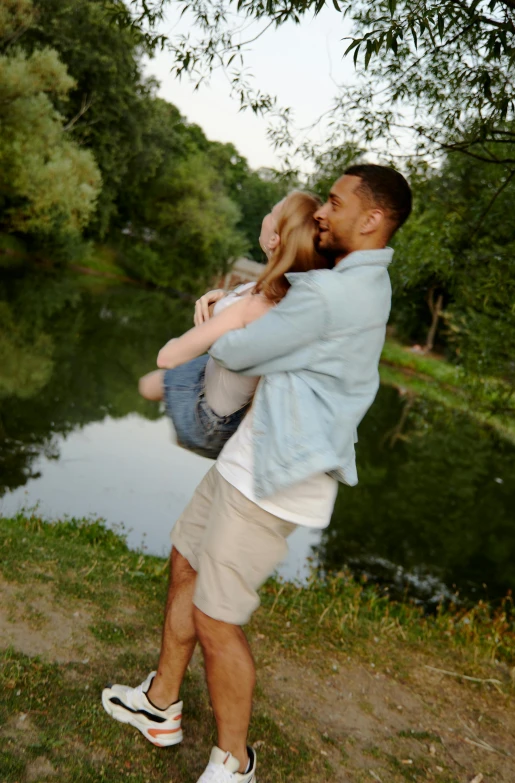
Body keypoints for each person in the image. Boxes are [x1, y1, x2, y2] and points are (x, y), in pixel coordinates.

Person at [102, 164, 412, 783]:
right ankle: (160, 704)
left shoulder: (332, 295)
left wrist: (225, 310)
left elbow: (237, 351)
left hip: (275, 478)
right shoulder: (359, 284)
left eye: (335, 201)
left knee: (217, 617)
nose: (323, 211)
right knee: (185, 557)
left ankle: (234, 761)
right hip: (251, 456)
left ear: (372, 218)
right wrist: (245, 304)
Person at [136, 191, 324, 460]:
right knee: (150, 384)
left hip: (210, 422)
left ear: (275, 239)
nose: (265, 216)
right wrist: (222, 299)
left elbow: (168, 358)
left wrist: (179, 344)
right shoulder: (283, 296)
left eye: (271, 212)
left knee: (153, 379)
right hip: (214, 380)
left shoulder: (258, 305)